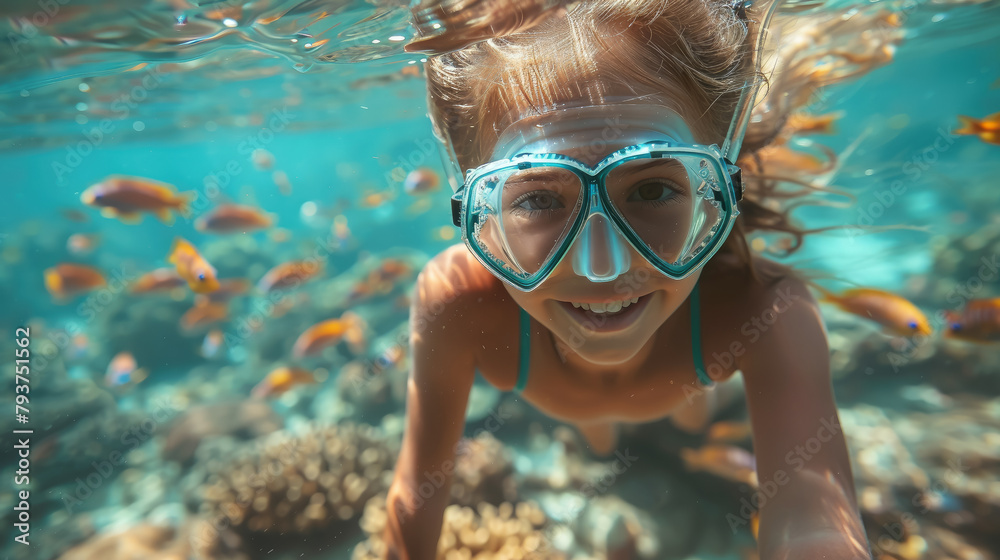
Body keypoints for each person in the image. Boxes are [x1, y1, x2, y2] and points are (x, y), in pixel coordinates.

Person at [384, 0, 872, 558]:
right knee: (598, 437)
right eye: (539, 200)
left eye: (653, 189)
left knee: (692, 414)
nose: (605, 267)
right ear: (477, 214)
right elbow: (416, 496)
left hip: (682, 390)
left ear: (716, 190)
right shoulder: (456, 302)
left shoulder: (766, 310)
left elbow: (813, 522)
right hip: (602, 400)